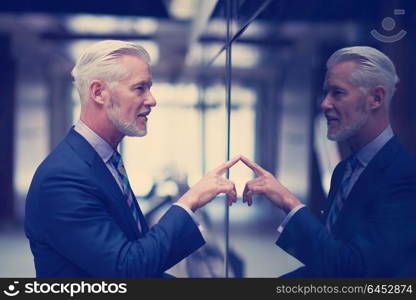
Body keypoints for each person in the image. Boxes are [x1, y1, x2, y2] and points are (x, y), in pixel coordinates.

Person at [25, 40, 239, 277]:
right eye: (140, 88)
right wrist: (190, 202)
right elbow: (127, 269)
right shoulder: (62, 179)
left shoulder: (105, 161)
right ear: (98, 93)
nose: (152, 100)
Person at [240, 46, 416, 277]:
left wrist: (289, 203)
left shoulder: (404, 177)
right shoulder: (345, 170)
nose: (324, 104)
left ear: (376, 98)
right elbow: (327, 263)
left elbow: (353, 271)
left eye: (338, 93)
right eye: (325, 93)